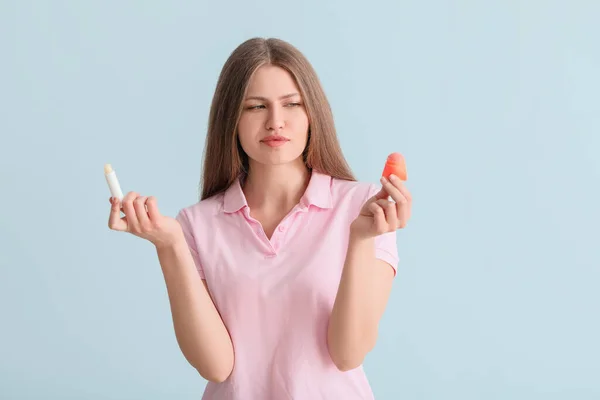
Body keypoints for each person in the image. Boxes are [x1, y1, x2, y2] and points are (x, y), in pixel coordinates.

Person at [108, 37, 412, 400]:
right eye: (255, 107)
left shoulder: (363, 207)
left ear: (312, 113)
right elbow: (216, 366)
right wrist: (169, 246)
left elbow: (348, 354)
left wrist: (360, 240)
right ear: (231, 119)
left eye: (291, 104)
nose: (275, 122)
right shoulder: (195, 225)